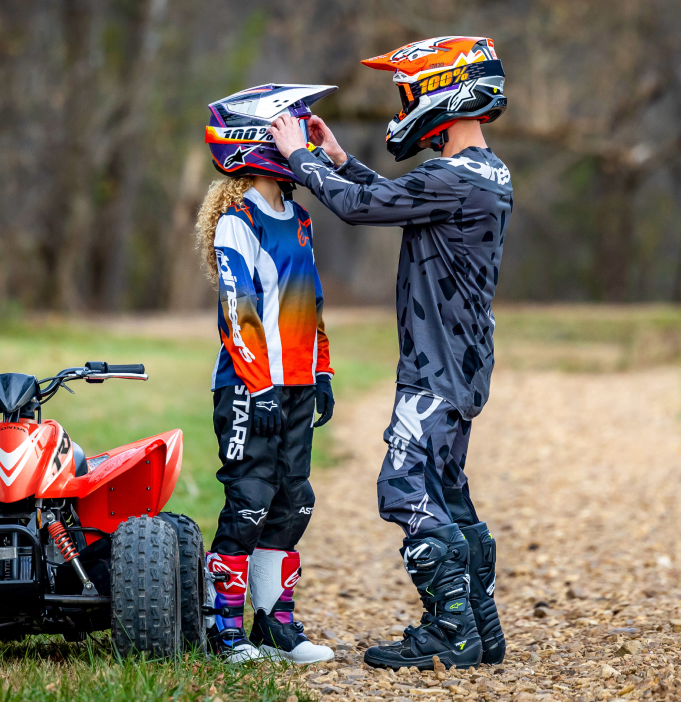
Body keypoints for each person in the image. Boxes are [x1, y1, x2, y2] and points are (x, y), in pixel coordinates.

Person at [267, 37, 511, 670]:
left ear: (443, 95)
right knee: (447, 491)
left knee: (403, 488)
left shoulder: (451, 178)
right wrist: (339, 158)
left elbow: (359, 209)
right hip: (459, 362)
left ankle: (450, 631)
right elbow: (396, 199)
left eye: (409, 93)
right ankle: (481, 630)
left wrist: (297, 156)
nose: (403, 106)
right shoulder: (482, 174)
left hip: (435, 365)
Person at [196, 83, 340, 665]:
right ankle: (222, 627)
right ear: (259, 141)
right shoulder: (238, 220)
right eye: (290, 126)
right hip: (249, 388)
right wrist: (258, 386)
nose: (301, 133)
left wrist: (321, 371)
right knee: (250, 499)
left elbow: (312, 303)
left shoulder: (300, 219)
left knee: (292, 501)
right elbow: (239, 311)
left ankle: (274, 624)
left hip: (299, 384)